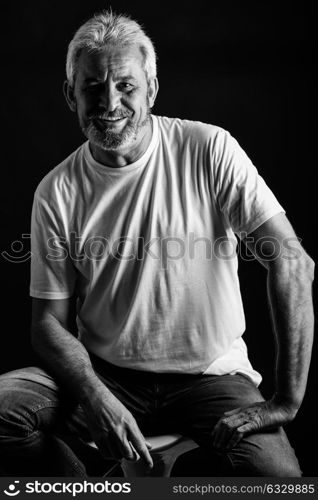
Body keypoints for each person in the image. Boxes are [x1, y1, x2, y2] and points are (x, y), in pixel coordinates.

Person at [0, 10, 314, 477]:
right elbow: (47, 323)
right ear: (71, 95)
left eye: (126, 86)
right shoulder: (57, 190)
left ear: (152, 88)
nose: (110, 102)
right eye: (92, 87)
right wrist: (95, 394)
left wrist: (286, 401)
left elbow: (292, 261)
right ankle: (95, 492)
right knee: (4, 410)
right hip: (105, 372)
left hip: (210, 378)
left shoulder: (209, 149)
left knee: (280, 482)